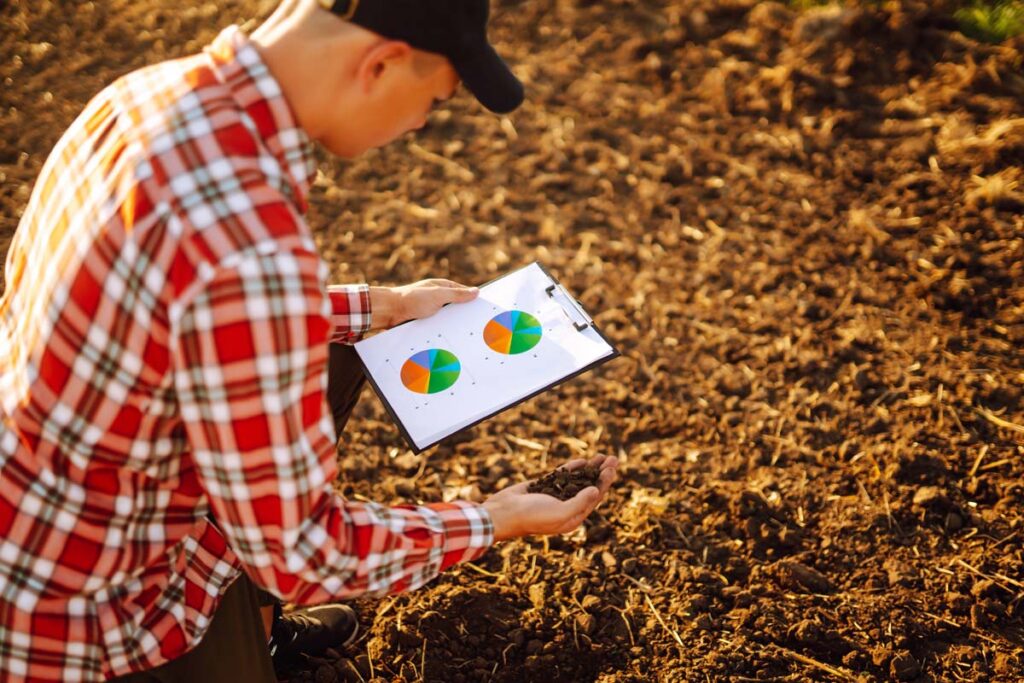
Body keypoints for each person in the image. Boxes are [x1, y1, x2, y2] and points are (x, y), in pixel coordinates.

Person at [0, 0, 619, 681]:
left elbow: (187, 298)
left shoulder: (140, 99)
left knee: (325, 358)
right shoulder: (248, 239)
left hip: (34, 520)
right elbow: (300, 552)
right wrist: (494, 516)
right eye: (432, 101)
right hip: (86, 620)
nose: (418, 124)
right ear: (379, 64)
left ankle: (251, 633)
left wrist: (384, 306)